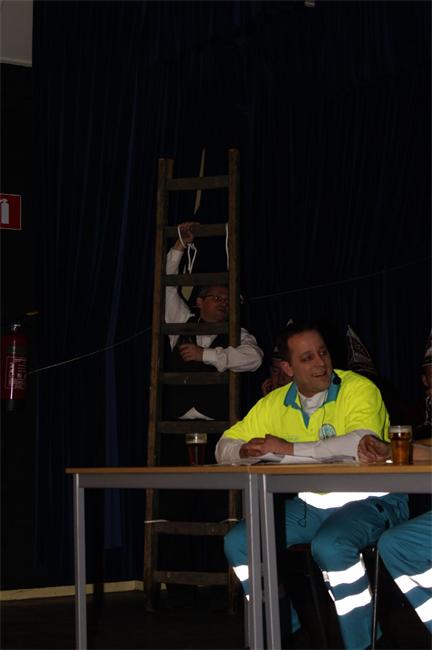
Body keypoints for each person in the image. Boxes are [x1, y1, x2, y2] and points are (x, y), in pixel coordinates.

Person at [216, 322, 408, 650]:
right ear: (287, 368)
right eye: (307, 358)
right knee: (239, 542)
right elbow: (223, 446)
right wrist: (244, 451)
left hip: (373, 501)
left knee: (330, 545)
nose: (320, 363)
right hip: (313, 506)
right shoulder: (275, 402)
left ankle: (364, 644)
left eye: (323, 353)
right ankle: (282, 630)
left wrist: (286, 449)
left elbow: (359, 444)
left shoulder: (358, 388)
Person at [164, 220, 263, 424]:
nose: (223, 304)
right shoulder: (181, 321)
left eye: (227, 301)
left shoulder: (236, 333)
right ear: (200, 302)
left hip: (218, 425)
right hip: (177, 423)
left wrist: (205, 355)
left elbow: (255, 358)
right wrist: (180, 245)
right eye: (217, 298)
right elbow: (167, 287)